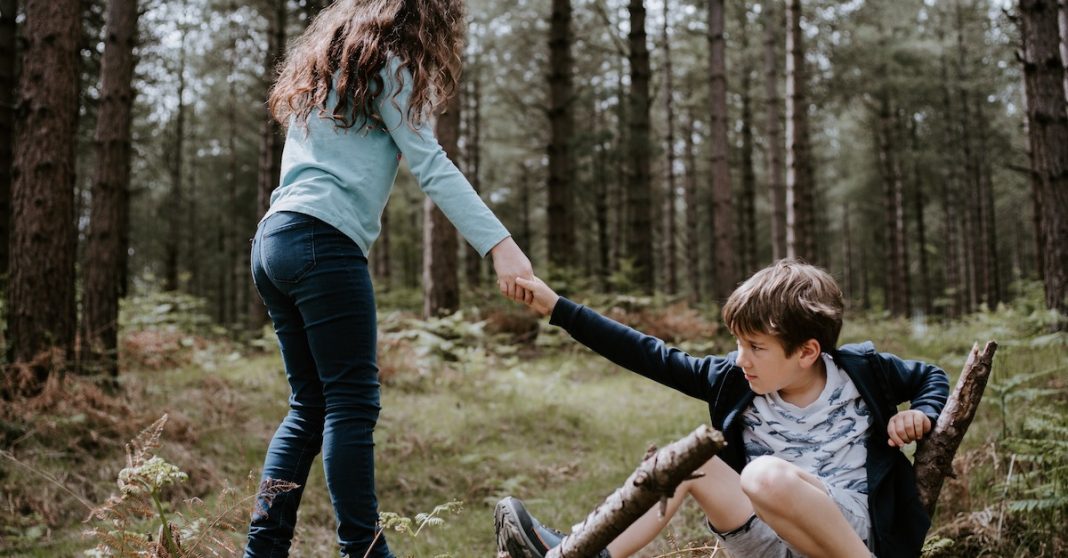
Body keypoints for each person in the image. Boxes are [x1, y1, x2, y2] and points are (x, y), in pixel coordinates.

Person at [245, 1, 533, 556]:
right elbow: (431, 165)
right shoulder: (392, 64)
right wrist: (501, 245)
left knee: (309, 404)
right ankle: (364, 548)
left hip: (272, 240)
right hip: (322, 242)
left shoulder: (330, 64)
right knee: (351, 403)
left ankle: (263, 549)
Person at [494, 260, 948, 558]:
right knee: (690, 463)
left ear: (807, 352)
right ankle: (575, 553)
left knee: (763, 476)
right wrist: (558, 307)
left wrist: (918, 412)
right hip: (766, 541)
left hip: (847, 539)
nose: (741, 358)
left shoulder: (862, 371)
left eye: (756, 347)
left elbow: (932, 377)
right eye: (737, 343)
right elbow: (647, 354)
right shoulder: (734, 378)